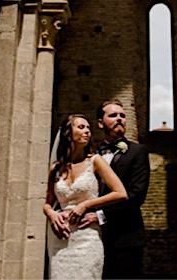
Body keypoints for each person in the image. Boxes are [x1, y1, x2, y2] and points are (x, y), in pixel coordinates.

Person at [44, 114, 128, 280]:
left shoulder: (95, 161)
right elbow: (47, 204)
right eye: (81, 127)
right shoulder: (56, 168)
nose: (87, 132)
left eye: (88, 128)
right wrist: (52, 214)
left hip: (87, 238)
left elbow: (120, 193)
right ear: (69, 133)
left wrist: (86, 205)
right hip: (61, 239)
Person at [91, 100, 151, 279]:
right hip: (93, 236)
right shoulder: (93, 154)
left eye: (122, 116)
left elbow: (136, 195)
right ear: (100, 123)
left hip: (126, 236)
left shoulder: (137, 152)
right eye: (113, 115)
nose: (119, 119)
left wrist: (100, 215)